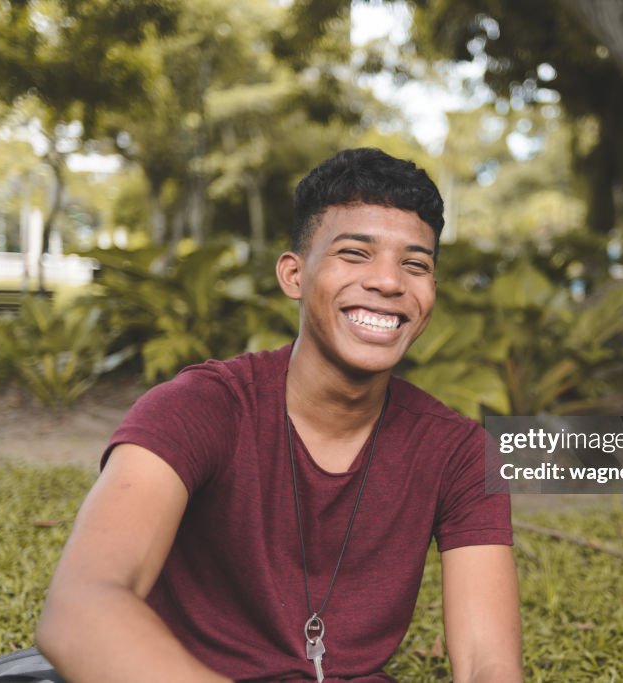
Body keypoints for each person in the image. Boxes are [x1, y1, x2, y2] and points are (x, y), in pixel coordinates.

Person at [35, 148, 523, 682]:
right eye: (355, 254)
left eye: (415, 264)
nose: (389, 282)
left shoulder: (457, 452)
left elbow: (486, 663)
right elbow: (81, 610)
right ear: (293, 274)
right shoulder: (201, 408)